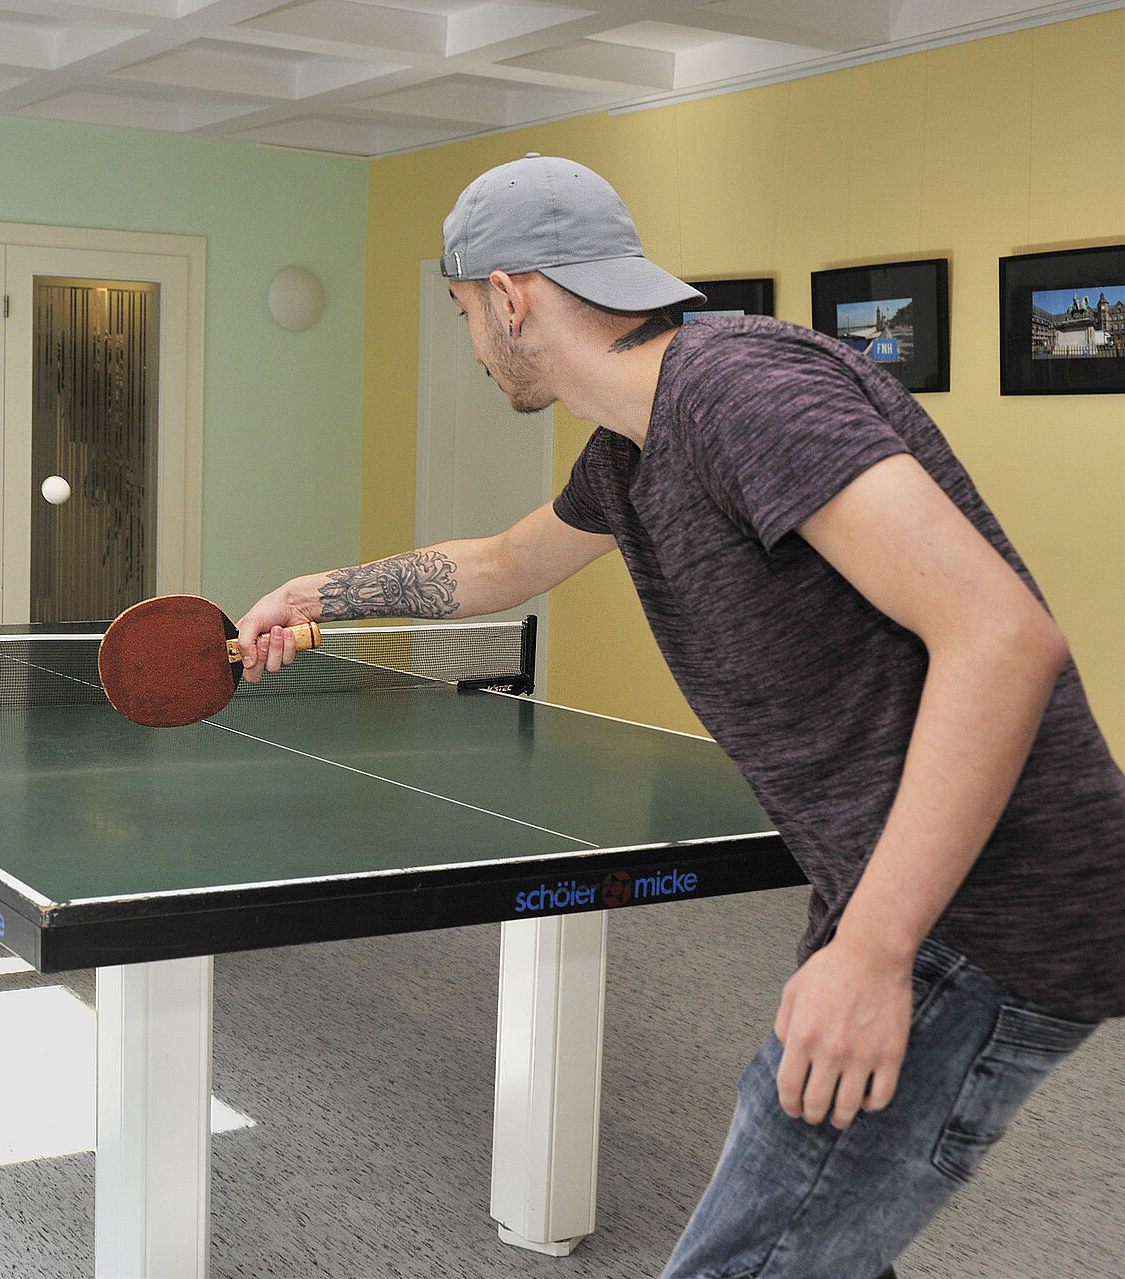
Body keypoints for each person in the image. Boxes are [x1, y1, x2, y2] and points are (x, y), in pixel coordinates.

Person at [236, 154, 1124, 1277]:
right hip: (901, 876)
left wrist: (874, 948)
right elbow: (506, 564)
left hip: (987, 911)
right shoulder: (636, 444)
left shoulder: (738, 391)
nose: (471, 339)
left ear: (510, 297)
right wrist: (316, 595)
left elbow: (1003, 638)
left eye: (463, 310)